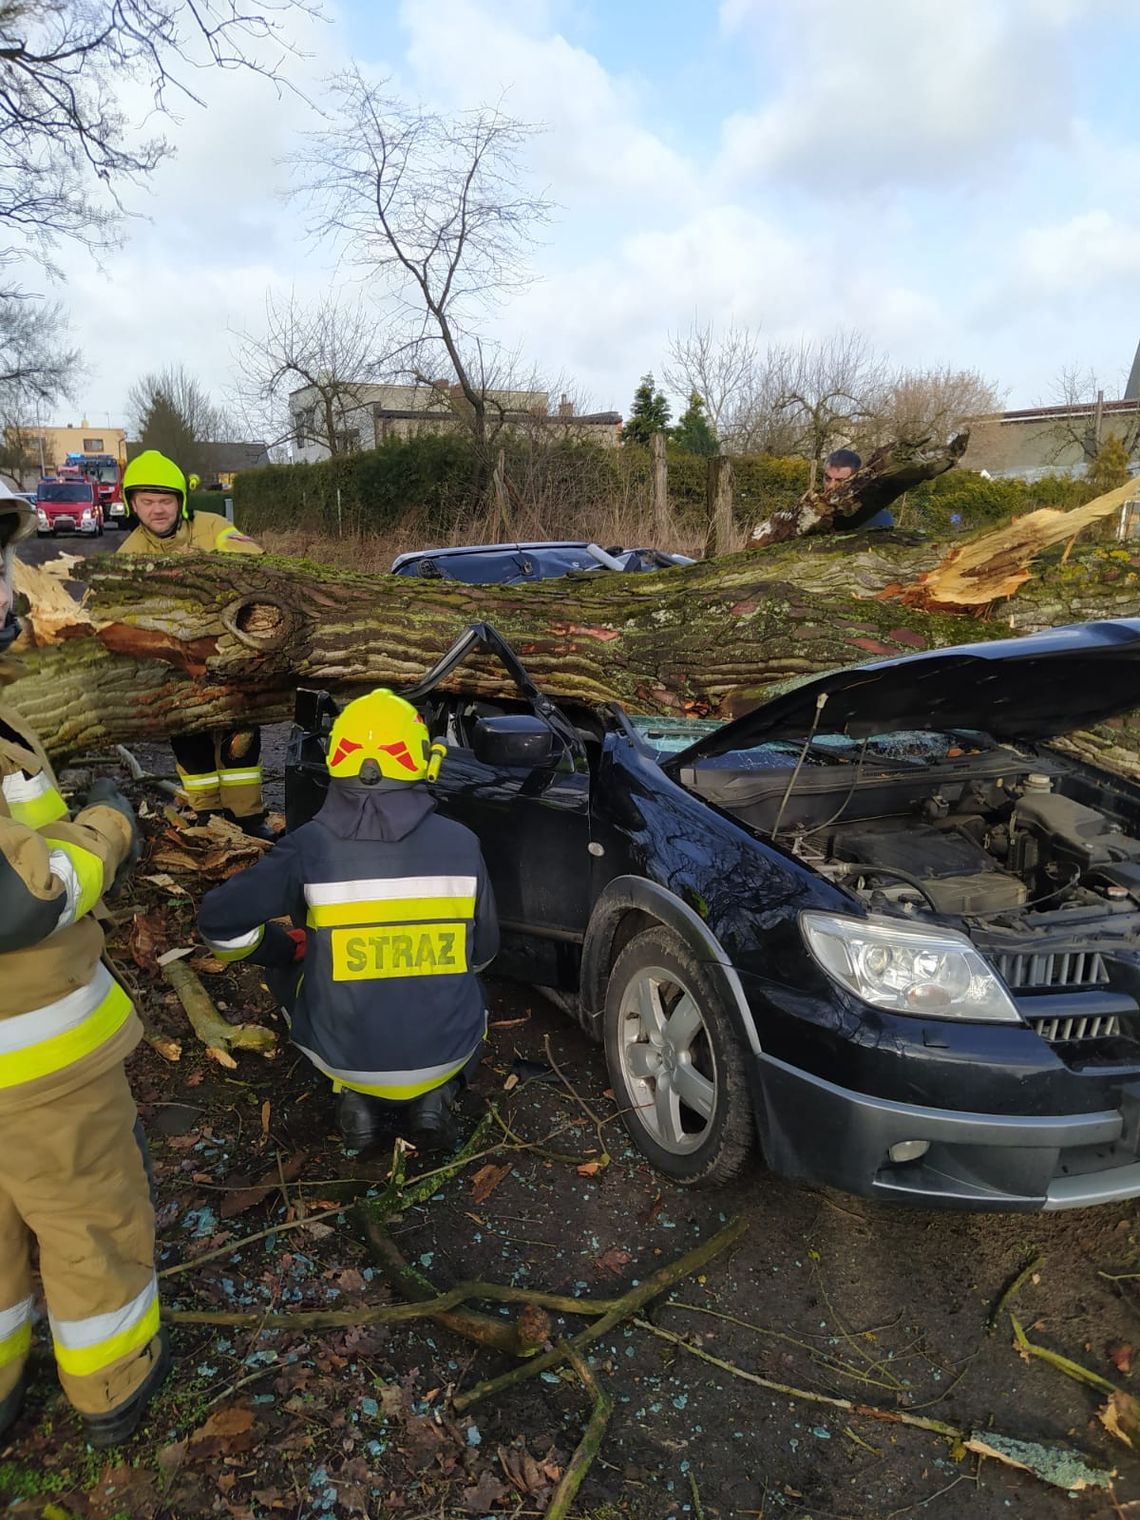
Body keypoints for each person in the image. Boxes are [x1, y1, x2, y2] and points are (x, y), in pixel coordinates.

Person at [0, 482, 167, 1447]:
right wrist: (108, 824)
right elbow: (24, 895)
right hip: (37, 1074)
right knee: (90, 1224)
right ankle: (116, 1390)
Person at [197, 688, 499, 1153]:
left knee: (291, 972)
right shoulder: (464, 843)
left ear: (335, 760)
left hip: (344, 1060)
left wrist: (282, 951)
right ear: (424, 761)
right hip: (447, 1055)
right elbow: (483, 955)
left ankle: (352, 1096)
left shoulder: (308, 846)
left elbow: (218, 923)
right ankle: (439, 1095)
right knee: (474, 986)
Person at [117, 450, 274, 840]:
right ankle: (206, 818)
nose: (157, 510)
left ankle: (248, 819)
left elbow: (253, 558)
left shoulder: (212, 527)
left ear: (180, 501)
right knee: (191, 747)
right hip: (175, 672)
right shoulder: (127, 556)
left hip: (228, 658)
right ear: (133, 505)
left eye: (165, 501)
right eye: (147, 502)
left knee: (240, 745)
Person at [822, 447, 895, 531]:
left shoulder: (876, 518)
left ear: (855, 480)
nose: (831, 486)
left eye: (840, 481)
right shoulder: (811, 511)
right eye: (827, 478)